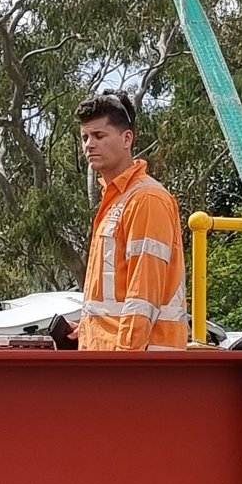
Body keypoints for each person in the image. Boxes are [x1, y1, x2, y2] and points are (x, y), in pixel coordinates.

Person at [75, 90, 188, 350]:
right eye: (85, 137)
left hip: (138, 364)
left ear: (127, 139)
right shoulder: (117, 200)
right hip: (112, 360)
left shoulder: (146, 198)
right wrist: (87, 328)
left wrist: (125, 361)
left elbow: (143, 296)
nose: (89, 144)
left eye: (99, 135)